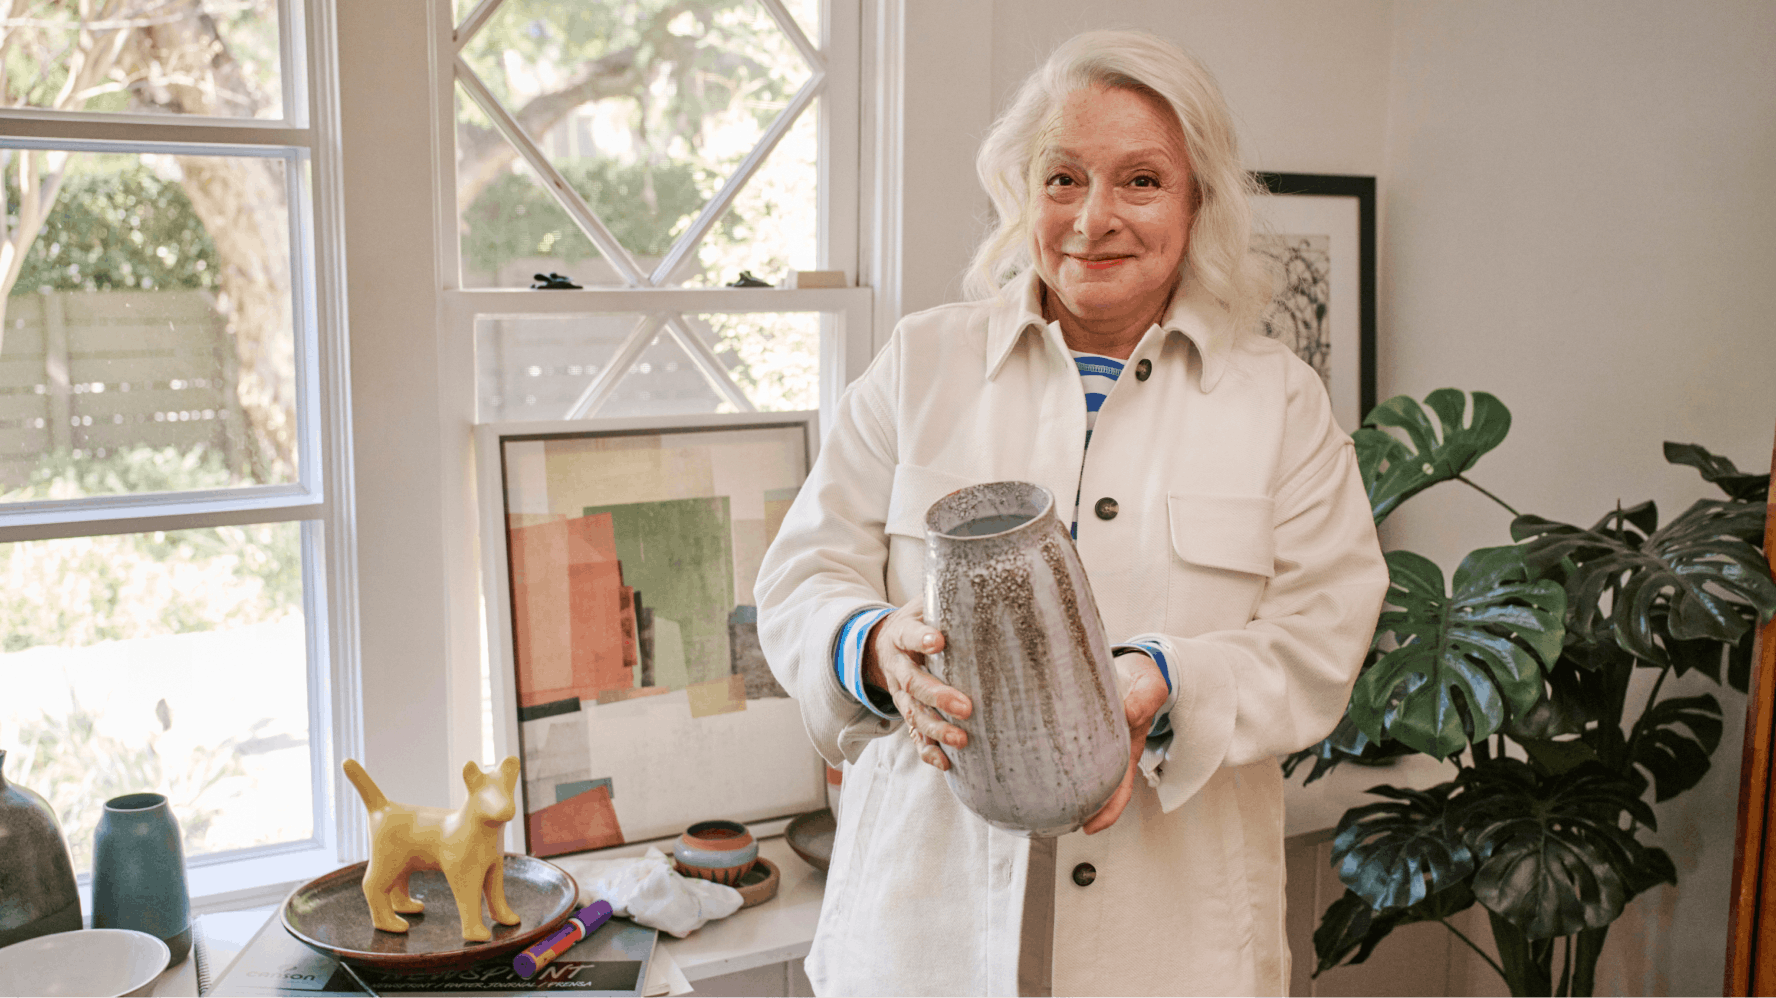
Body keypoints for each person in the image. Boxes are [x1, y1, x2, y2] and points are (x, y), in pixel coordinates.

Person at [755, 28, 1388, 998]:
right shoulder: (921, 363)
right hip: (923, 931)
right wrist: (877, 648)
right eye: (1062, 178)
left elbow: (1322, 630)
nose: (1094, 218)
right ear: (1023, 192)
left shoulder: (1280, 402)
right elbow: (802, 578)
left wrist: (1161, 677)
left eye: (1140, 180)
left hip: (1178, 943)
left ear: (1198, 199)